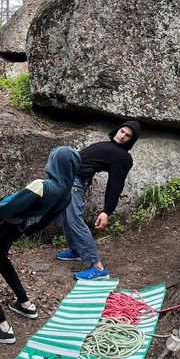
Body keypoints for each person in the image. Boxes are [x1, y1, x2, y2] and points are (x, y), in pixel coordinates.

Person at [0, 146, 81, 345]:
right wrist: (25, 232)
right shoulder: (66, 195)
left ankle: (2, 327)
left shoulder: (42, 185)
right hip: (15, 228)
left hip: (0, 228)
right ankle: (25, 304)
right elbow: (44, 222)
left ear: (56, 163)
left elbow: (9, 207)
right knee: (1, 258)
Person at [56, 120, 141, 281]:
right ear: (117, 130)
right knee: (65, 217)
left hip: (77, 184)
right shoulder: (108, 146)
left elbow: (115, 184)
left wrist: (106, 211)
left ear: (131, 141)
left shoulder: (122, 157)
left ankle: (98, 267)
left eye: (128, 136)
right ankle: (76, 250)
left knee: (75, 221)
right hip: (68, 181)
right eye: (122, 131)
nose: (123, 136)